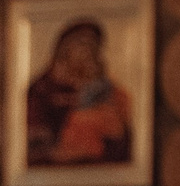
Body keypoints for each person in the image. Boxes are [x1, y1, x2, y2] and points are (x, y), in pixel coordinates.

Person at [25, 19, 135, 167]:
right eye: (83, 44)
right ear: (65, 48)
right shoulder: (42, 89)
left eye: (94, 46)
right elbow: (35, 144)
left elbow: (123, 140)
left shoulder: (106, 89)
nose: (89, 52)